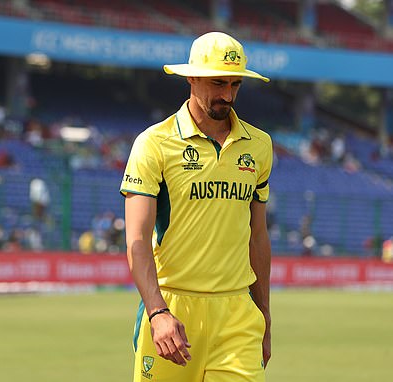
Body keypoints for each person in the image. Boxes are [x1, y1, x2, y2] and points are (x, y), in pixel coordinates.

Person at [121, 31, 272, 382]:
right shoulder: (154, 143)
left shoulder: (260, 146)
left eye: (235, 84)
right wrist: (158, 313)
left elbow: (258, 237)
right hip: (173, 311)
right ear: (191, 77)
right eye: (218, 82)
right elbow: (137, 240)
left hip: (238, 316)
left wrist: (264, 317)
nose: (228, 95)